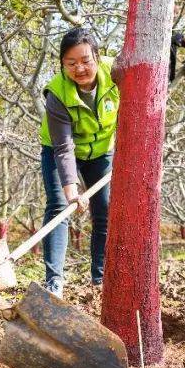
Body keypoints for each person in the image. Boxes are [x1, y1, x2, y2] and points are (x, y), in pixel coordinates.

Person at [38, 27, 119, 297]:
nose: (80, 68)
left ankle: (100, 278)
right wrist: (72, 191)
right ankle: (55, 283)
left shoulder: (116, 72)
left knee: (104, 210)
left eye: (86, 60)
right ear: (62, 65)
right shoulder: (57, 93)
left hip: (100, 150)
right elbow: (63, 146)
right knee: (60, 207)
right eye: (71, 63)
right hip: (60, 150)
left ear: (97, 56)